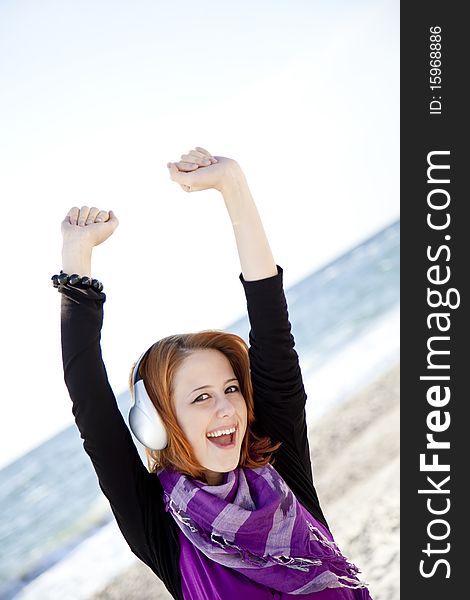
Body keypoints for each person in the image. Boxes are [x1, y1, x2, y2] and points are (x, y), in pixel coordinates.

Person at [55, 147, 372, 599]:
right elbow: (89, 399)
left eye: (230, 389)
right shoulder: (160, 525)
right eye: (200, 397)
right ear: (159, 421)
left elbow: (271, 324)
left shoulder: (280, 468)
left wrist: (233, 186)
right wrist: (76, 260)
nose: (227, 407)